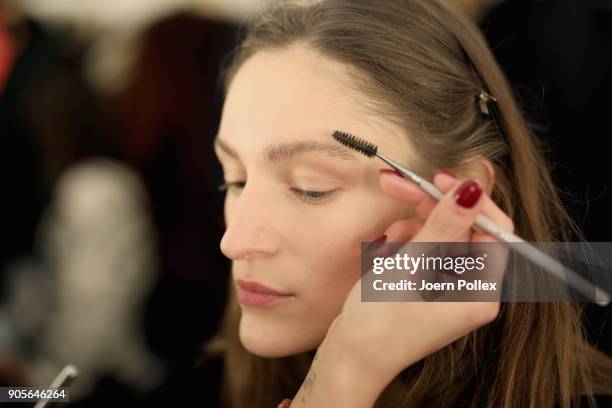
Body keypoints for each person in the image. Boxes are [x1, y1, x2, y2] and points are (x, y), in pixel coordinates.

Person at [204, 0, 612, 407]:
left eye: (312, 188)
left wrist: (348, 369)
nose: (234, 243)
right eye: (235, 181)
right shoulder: (202, 384)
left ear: (456, 199)